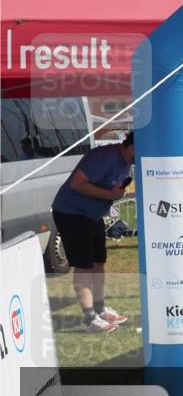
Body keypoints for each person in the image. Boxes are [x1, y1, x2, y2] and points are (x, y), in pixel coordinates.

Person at [50, 132, 134, 332]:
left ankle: (99, 308)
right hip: (71, 213)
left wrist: (113, 194)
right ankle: (90, 318)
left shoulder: (125, 162)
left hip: (92, 216)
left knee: (98, 262)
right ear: (132, 146)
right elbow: (77, 183)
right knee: (84, 265)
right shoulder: (105, 157)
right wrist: (109, 194)